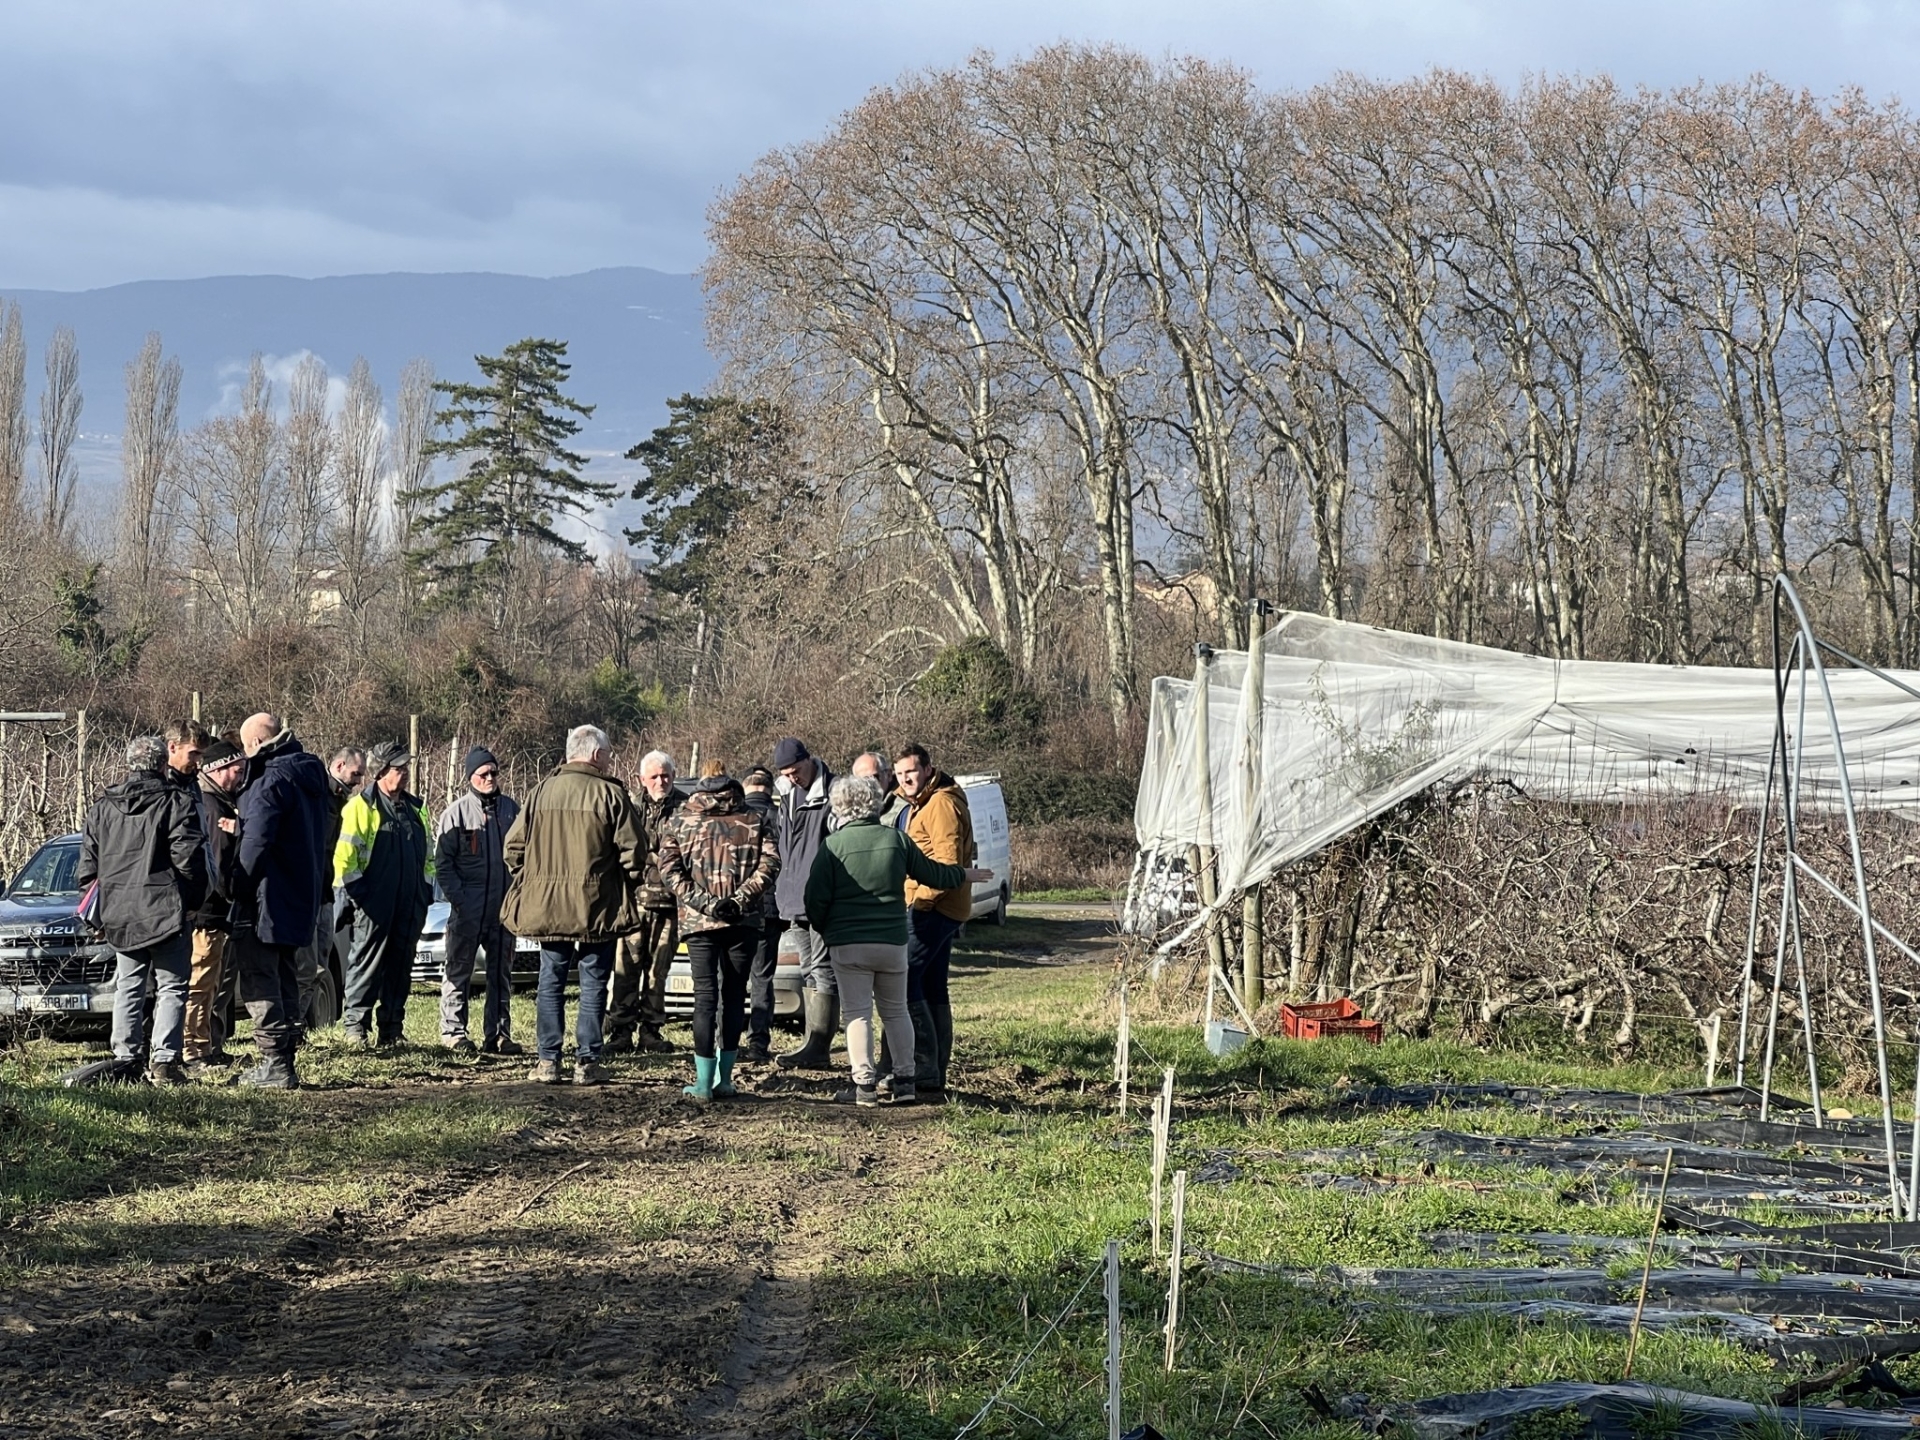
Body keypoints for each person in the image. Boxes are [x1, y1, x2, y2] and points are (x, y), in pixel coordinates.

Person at [802, 774, 989, 1106]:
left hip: (849, 944)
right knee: (896, 1011)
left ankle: (864, 1088)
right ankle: (905, 1082)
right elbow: (934, 873)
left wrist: (828, 930)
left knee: (858, 1014)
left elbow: (814, 900)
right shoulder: (897, 840)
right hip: (892, 941)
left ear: (840, 807)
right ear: (875, 803)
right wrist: (964, 874)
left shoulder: (832, 846)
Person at [501, 724, 649, 1085]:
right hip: (597, 904)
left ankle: (548, 1060)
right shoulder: (611, 795)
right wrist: (625, 882)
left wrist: (533, 880)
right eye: (609, 754)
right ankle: (588, 1061)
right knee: (594, 980)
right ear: (596, 754)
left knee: (550, 979)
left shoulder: (540, 792)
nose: (610, 760)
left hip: (547, 906)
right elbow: (635, 852)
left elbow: (512, 848)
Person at [76, 734, 208, 1085]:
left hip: (120, 912)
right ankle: (164, 1060)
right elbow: (190, 859)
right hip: (165, 908)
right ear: (164, 764)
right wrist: (192, 902)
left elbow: (88, 868)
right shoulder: (176, 802)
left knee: (129, 986)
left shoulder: (102, 808)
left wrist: (98, 915)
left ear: (129, 765)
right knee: (172, 986)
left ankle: (125, 1059)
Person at [654, 763, 779, 1100]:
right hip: (744, 921)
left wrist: (706, 904)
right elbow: (770, 864)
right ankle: (725, 1079)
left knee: (705, 997)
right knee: (736, 995)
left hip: (699, 923)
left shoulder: (680, 819)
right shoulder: (755, 819)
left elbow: (668, 870)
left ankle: (702, 1083)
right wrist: (738, 901)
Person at [230, 712, 332, 1089]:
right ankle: (285, 1056)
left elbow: (256, 841)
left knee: (260, 978)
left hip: (265, 898)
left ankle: (274, 1061)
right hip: (299, 894)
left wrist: (237, 886)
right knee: (287, 974)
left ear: (255, 744)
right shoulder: (309, 775)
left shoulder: (269, 779)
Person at [335, 741, 434, 1048]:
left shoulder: (417, 808)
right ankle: (356, 1027)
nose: (404, 774)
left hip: (410, 902)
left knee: (401, 967)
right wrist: (361, 897)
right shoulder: (359, 807)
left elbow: (429, 856)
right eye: (397, 769)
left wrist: (425, 891)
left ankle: (391, 1029)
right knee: (366, 964)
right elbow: (344, 859)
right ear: (381, 773)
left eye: (406, 768)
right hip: (373, 903)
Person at [892, 742, 975, 1099]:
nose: (905, 779)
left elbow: (947, 861)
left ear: (927, 769)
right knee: (932, 985)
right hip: (942, 907)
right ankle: (935, 1068)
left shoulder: (939, 803)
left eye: (910, 772)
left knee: (905, 980)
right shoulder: (923, 802)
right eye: (899, 774)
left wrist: (921, 902)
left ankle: (923, 1065)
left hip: (933, 907)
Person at [435, 745, 521, 1055]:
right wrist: (458, 899)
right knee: (458, 973)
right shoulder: (456, 813)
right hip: (468, 911)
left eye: (494, 772)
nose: (490, 778)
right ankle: (454, 1032)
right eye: (483, 773)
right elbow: (442, 864)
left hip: (502, 912)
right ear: (470, 776)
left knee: (501, 975)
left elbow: (525, 856)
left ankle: (498, 1034)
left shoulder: (512, 811)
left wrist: (517, 895)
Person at [606, 749, 682, 1055]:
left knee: (657, 972)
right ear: (642, 779)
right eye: (654, 777)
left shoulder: (685, 808)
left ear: (673, 777)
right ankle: (620, 1031)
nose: (661, 781)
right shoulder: (630, 807)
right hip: (632, 901)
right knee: (625, 968)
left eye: (665, 776)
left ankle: (651, 1031)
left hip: (670, 903)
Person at [771, 737, 838, 1070]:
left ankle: (820, 1045)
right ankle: (811, 1041)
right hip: (792, 898)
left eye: (796, 769)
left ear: (809, 760)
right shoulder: (785, 794)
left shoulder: (832, 793)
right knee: (808, 971)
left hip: (822, 900)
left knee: (823, 971)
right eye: (786, 772)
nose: (793, 777)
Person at [182, 739, 244, 1075]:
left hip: (214, 913)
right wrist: (230, 896)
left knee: (210, 985)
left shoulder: (220, 803)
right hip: (208, 914)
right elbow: (218, 865)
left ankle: (204, 1045)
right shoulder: (212, 807)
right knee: (200, 984)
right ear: (218, 770)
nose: (240, 776)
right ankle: (193, 1050)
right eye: (236, 770)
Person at [298, 746, 366, 1029]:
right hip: (309, 891)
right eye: (355, 773)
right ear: (338, 766)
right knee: (306, 964)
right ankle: (294, 1023)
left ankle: (301, 1020)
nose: (358, 780)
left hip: (327, 889)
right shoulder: (317, 797)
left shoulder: (340, 801)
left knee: (322, 961)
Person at [739, 765, 782, 1063]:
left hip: (739, 907)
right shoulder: (783, 818)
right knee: (762, 976)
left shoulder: (736, 817)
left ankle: (723, 1038)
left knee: (729, 977)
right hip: (772, 906)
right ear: (771, 789)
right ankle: (759, 1042)